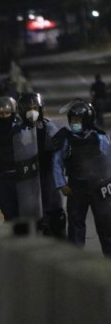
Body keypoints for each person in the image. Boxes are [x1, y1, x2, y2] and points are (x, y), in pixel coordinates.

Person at [52, 100, 111, 256]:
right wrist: (61, 185)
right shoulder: (66, 139)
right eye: (72, 120)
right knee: (76, 226)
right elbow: (57, 163)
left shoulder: (100, 138)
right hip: (76, 188)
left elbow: (109, 161)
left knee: (106, 225)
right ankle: (75, 260)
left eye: (77, 120)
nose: (74, 123)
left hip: (99, 187)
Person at [18, 92, 66, 238]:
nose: (32, 111)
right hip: (27, 177)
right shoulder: (17, 130)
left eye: (35, 107)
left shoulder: (49, 127)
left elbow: (60, 149)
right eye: (28, 108)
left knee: (55, 212)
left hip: (47, 174)